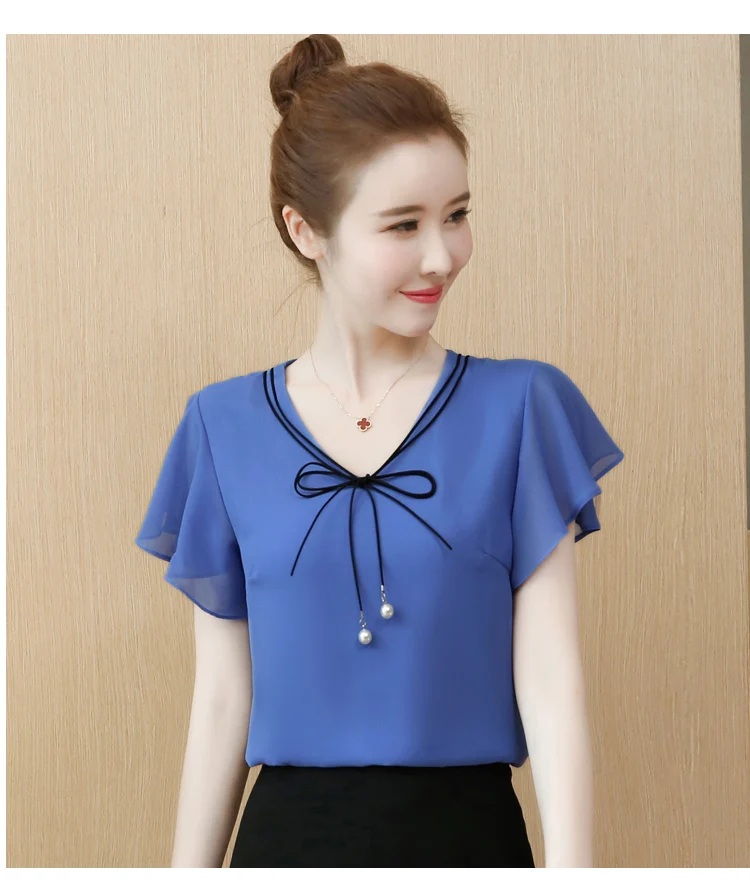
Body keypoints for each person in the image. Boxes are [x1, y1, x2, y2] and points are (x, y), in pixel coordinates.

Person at [135, 34, 624, 868]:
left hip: (471, 840)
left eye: (457, 215)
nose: (442, 255)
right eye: (404, 224)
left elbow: (551, 684)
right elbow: (221, 701)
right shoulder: (221, 426)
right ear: (306, 231)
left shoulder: (522, 408)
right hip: (287, 845)